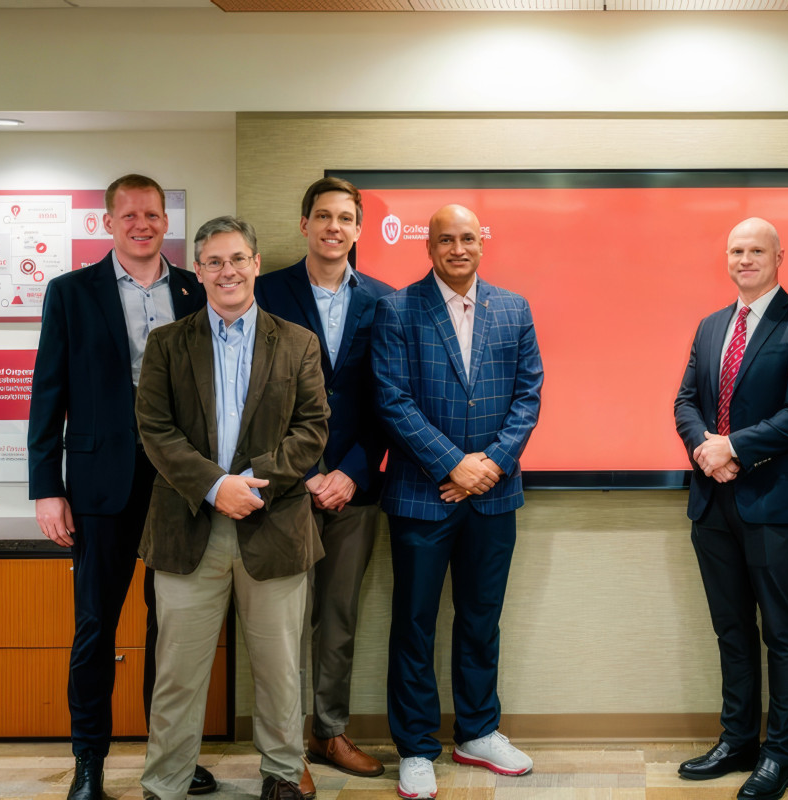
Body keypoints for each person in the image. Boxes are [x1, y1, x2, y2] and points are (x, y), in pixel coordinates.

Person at [27, 174, 215, 800]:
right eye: (130, 215)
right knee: (95, 628)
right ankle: (89, 764)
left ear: (168, 222)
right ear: (107, 222)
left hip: (181, 484)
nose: (142, 225)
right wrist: (45, 489)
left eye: (153, 215)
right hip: (98, 485)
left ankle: (173, 759)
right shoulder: (71, 293)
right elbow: (47, 394)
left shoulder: (196, 290)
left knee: (174, 629)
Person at [135, 217, 329, 800]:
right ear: (198, 271)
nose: (228, 271)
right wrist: (217, 486)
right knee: (178, 674)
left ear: (257, 262)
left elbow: (312, 429)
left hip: (273, 528)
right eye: (214, 262)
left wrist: (252, 483)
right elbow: (156, 430)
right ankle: (165, 782)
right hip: (189, 529)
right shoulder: (167, 343)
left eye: (237, 259)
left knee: (279, 670)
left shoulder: (297, 341)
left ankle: (280, 775)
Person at [371, 204, 543, 800]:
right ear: (430, 247)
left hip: (495, 497)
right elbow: (391, 400)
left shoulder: (514, 308)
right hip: (421, 496)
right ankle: (416, 747)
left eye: (467, 237)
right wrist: (453, 464)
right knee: (414, 625)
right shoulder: (396, 309)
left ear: (481, 242)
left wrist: (489, 466)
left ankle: (477, 732)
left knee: (480, 619)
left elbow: (529, 396)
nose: (458, 248)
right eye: (446, 239)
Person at [673, 217, 788, 800]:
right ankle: (736, 739)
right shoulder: (712, 324)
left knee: (782, 631)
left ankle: (779, 756)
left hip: (772, 502)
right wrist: (704, 451)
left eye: (756, 250)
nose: (745, 259)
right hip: (711, 501)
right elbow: (686, 400)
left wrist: (733, 446)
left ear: (779, 256)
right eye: (736, 250)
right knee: (731, 628)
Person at [255, 177, 392, 779]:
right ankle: (283, 754)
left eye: (345, 218)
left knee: (337, 620)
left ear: (359, 230)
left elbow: (393, 401)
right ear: (305, 224)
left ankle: (327, 734)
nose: (334, 227)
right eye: (322, 216)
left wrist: (352, 474)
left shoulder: (386, 302)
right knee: (278, 626)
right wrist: (308, 473)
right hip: (282, 486)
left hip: (355, 490)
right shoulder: (263, 292)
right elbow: (250, 397)